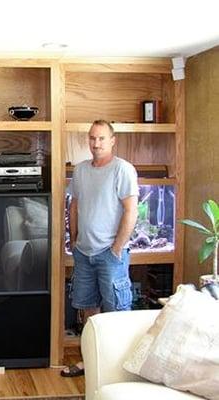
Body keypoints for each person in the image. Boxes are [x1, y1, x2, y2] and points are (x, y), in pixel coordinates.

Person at [61, 120, 138, 377]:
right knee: (88, 311)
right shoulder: (81, 170)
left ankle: (117, 369)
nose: (96, 143)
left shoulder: (123, 169)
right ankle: (91, 363)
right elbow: (74, 205)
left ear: (112, 140)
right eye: (93, 138)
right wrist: (73, 239)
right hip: (84, 253)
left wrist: (117, 248)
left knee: (116, 311)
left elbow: (131, 211)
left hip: (110, 255)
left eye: (102, 138)